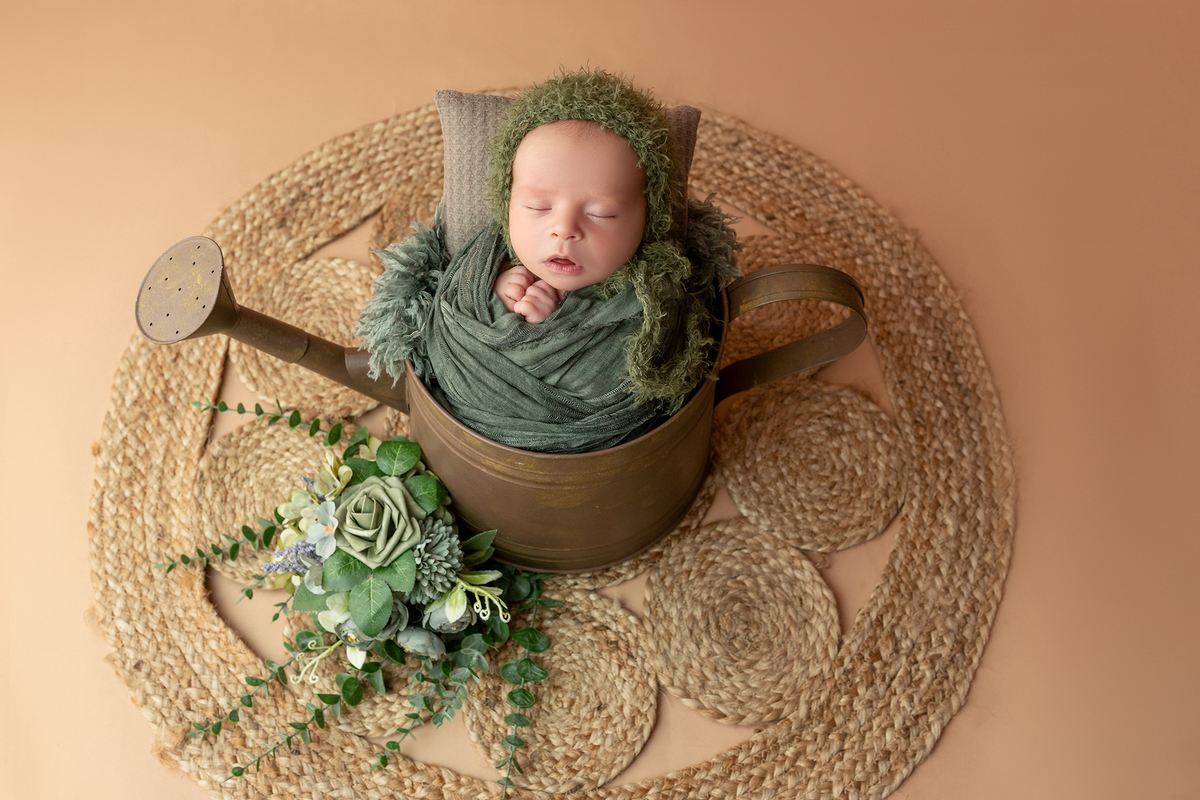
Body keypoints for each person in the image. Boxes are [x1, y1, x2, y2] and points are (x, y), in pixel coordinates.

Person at [358, 69, 739, 454]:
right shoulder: (479, 270)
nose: (564, 230)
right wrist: (497, 302)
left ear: (649, 218)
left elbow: (652, 368)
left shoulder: (660, 297)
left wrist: (548, 331)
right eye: (538, 207)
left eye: (603, 213)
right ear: (506, 207)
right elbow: (454, 329)